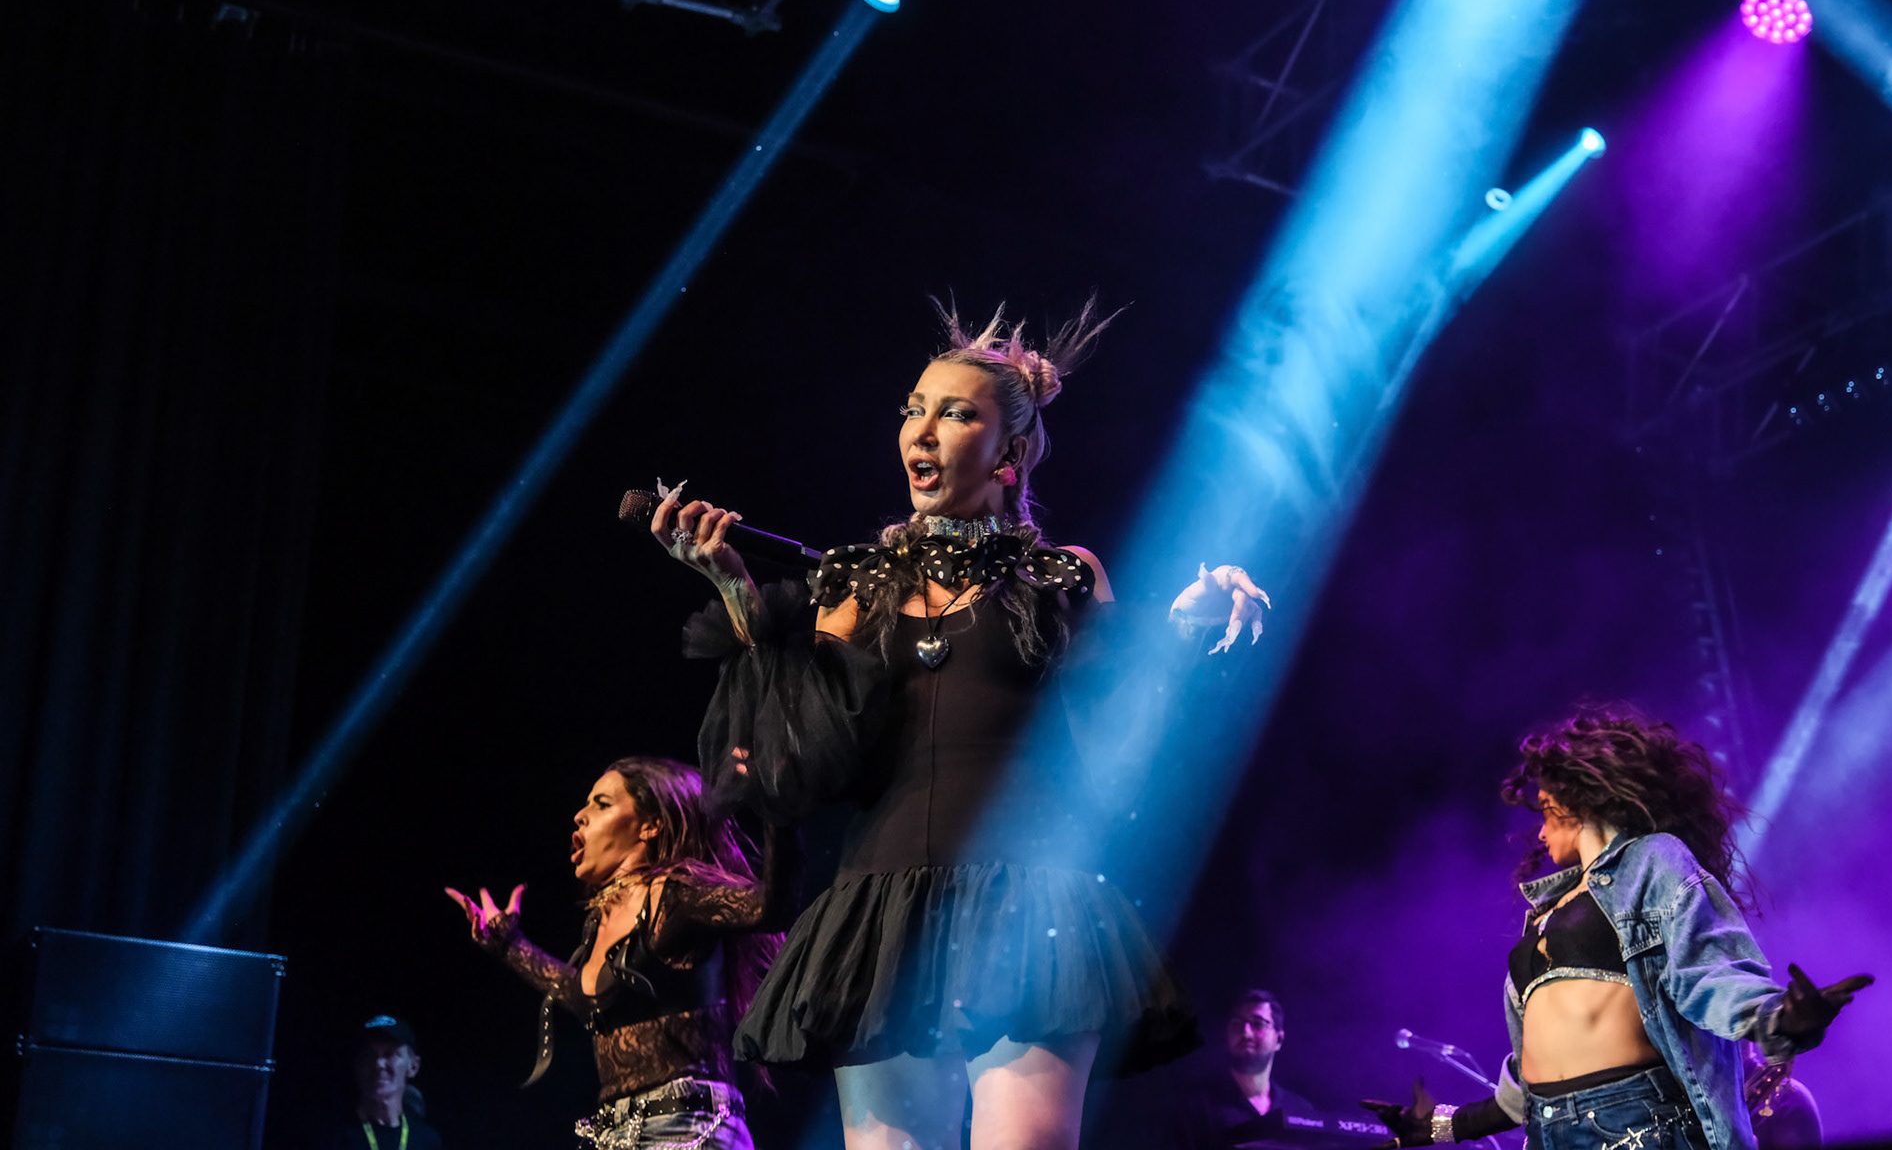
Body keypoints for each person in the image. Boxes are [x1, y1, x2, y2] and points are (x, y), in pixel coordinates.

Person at [653, 301, 1269, 1150]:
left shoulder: (1059, 576)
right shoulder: (854, 585)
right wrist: (736, 596)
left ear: (1009, 455)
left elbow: (1123, 735)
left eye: (954, 413)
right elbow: (805, 772)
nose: (923, 428)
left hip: (1030, 904)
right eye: (914, 409)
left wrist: (1182, 622)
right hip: (882, 913)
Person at [1363, 712, 1872, 1150]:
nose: (1539, 830)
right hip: (1548, 1131)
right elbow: (1526, 1081)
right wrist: (1439, 1127)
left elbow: (1708, 971)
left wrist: (1782, 1018)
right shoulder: (1544, 910)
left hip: (1634, 1123)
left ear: (1577, 797)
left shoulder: (1653, 860)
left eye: (1545, 808)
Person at [447, 757, 790, 1150]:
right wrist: (509, 945)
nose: (579, 816)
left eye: (602, 804)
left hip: (690, 1126)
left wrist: (777, 803)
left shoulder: (676, 897)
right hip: (615, 1134)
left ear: (649, 825)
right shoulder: (600, 921)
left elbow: (771, 907)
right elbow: (586, 999)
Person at [1172, 989, 1318, 1150]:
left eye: (1257, 1023)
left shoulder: (1300, 1110)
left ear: (1279, 1039)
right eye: (1237, 1024)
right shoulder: (1196, 1107)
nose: (1246, 1033)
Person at [327, 1014, 444, 1150]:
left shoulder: (427, 1141)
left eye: (390, 1054)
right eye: (368, 1055)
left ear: (413, 1066)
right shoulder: (334, 1137)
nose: (379, 1064)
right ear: (357, 1065)